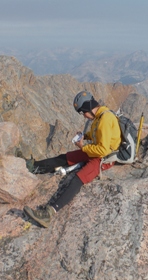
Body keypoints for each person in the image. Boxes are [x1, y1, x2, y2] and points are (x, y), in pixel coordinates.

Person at [23, 91, 121, 228]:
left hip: (104, 158)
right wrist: (85, 137)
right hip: (96, 151)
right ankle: (34, 166)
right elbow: (98, 135)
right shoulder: (100, 117)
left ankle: (49, 213)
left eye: (83, 113)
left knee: (78, 178)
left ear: (88, 107)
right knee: (66, 158)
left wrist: (83, 147)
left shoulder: (105, 119)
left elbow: (103, 150)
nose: (84, 116)